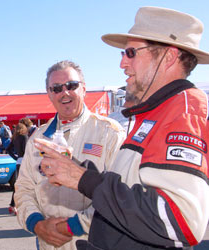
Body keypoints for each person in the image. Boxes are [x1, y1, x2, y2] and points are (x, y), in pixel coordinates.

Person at [36, 6, 209, 249]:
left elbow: (179, 222)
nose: (122, 64)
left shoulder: (182, 111)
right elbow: (132, 187)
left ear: (168, 57)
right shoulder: (156, 111)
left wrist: (83, 179)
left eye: (130, 53)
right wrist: (77, 169)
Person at [14, 60, 126, 250]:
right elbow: (24, 188)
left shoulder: (109, 133)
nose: (64, 92)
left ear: (83, 89)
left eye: (71, 85)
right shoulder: (38, 138)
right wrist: (37, 225)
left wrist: (72, 226)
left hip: (93, 241)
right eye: (56, 88)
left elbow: (120, 193)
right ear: (49, 94)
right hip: (48, 241)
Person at [7, 123, 29, 215]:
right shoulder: (24, 137)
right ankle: (15, 204)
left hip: (19, 161)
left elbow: (8, 149)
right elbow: (26, 150)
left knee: (19, 184)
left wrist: (16, 157)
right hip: (25, 161)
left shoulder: (15, 138)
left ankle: (13, 204)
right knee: (27, 183)